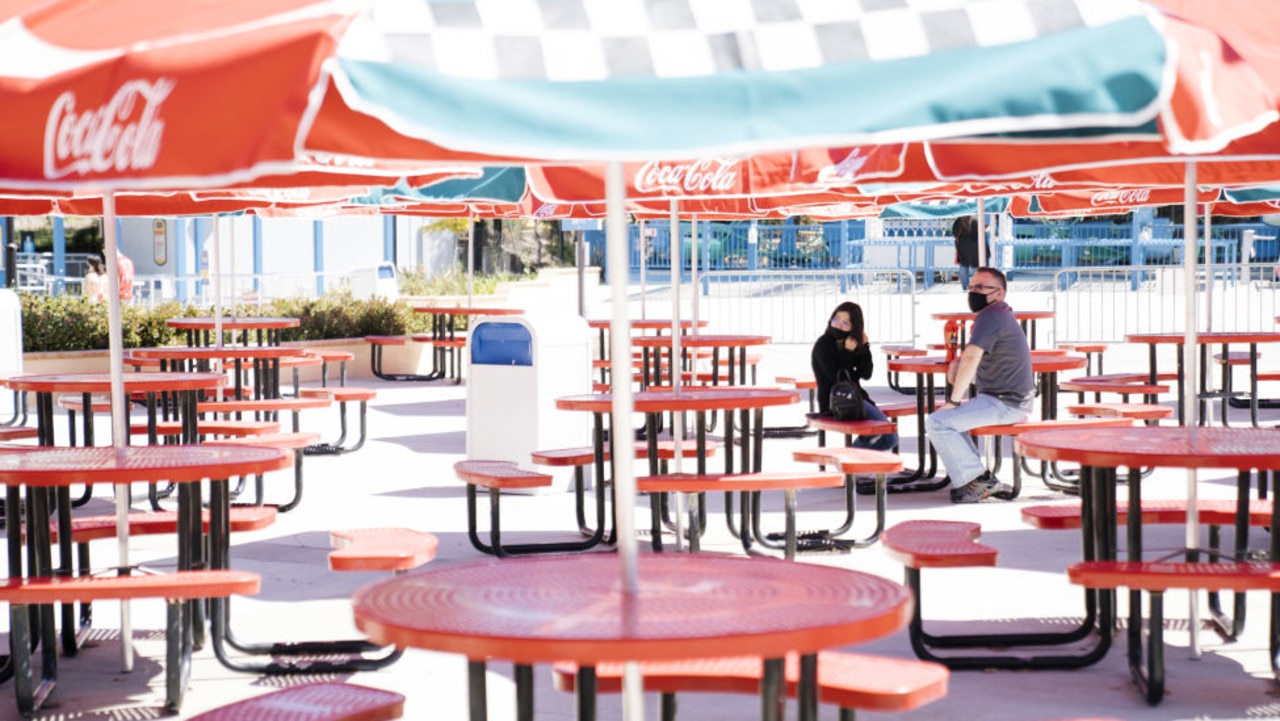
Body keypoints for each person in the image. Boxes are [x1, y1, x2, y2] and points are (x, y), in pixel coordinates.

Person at [925, 267, 1034, 503]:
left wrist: (954, 401)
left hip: (1006, 403)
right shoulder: (1000, 314)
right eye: (972, 286)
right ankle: (976, 478)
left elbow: (973, 357)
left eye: (981, 287)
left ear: (1000, 293)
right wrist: (958, 364)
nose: (974, 292)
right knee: (948, 423)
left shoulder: (991, 315)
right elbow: (972, 365)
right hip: (1005, 399)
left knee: (938, 422)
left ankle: (979, 479)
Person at [810, 301, 897, 452]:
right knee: (888, 436)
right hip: (836, 403)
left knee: (888, 435)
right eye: (836, 320)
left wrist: (864, 347)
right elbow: (839, 379)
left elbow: (866, 374)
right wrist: (848, 353)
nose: (838, 325)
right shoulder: (823, 345)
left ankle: (853, 467)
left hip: (855, 399)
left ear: (854, 327)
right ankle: (848, 465)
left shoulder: (849, 342)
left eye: (845, 323)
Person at [952, 216, 989, 290]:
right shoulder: (975, 221)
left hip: (963, 249)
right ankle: (975, 285)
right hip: (975, 249)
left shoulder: (958, 222)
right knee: (975, 268)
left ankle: (965, 286)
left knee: (964, 267)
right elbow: (982, 232)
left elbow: (954, 233)